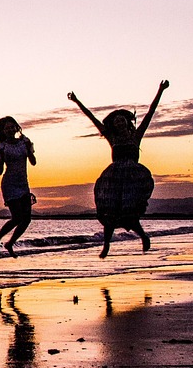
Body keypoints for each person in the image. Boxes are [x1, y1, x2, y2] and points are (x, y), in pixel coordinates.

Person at [67, 80, 169, 258]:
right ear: (113, 125)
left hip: (132, 178)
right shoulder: (111, 138)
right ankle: (106, 245)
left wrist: (160, 90)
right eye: (116, 122)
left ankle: (143, 236)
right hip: (113, 179)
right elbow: (92, 118)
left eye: (122, 121)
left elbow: (151, 112)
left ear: (127, 122)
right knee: (109, 212)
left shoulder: (136, 136)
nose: (119, 123)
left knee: (130, 211)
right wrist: (77, 101)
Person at [0, 116, 37, 256]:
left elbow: (33, 162)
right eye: (7, 128)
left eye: (12, 127)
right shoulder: (1, 147)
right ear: (3, 131)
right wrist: (0, 158)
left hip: (23, 183)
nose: (10, 130)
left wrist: (30, 150)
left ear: (16, 128)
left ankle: (10, 243)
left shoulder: (25, 142)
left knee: (27, 219)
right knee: (17, 217)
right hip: (9, 184)